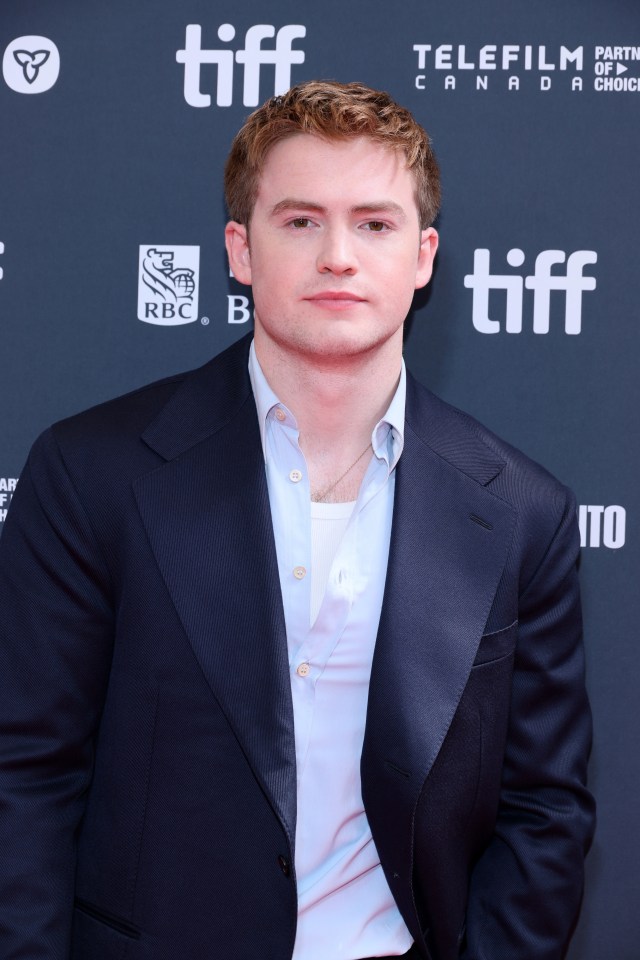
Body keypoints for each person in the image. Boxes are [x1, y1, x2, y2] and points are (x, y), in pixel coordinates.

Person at [0, 80, 594, 960]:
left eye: (376, 224)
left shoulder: (521, 512)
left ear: (424, 257)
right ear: (240, 249)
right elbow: (24, 776)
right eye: (301, 221)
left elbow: (544, 810)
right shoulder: (92, 473)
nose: (339, 257)